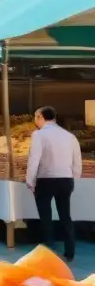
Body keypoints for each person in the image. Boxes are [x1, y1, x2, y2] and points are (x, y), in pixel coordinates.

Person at [26, 106, 82, 263]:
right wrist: (73, 178)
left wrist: (30, 180)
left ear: (41, 117)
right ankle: (70, 252)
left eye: (36, 117)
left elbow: (34, 159)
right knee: (65, 215)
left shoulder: (39, 135)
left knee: (46, 216)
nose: (35, 120)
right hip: (66, 179)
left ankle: (48, 253)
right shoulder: (69, 136)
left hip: (46, 179)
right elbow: (77, 160)